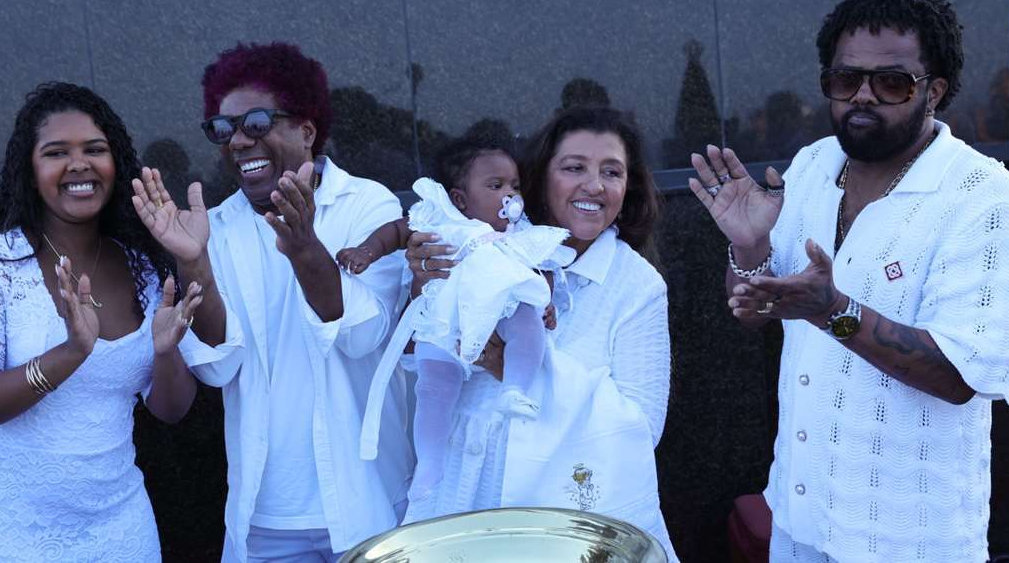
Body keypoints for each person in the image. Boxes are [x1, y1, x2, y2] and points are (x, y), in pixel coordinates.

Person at [689, 0, 1009, 562]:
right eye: (845, 79)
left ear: (935, 92)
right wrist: (750, 246)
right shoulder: (813, 165)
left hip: (907, 541)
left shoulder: (984, 201)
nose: (863, 96)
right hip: (798, 518)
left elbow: (960, 377)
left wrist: (834, 312)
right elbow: (754, 309)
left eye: (891, 83)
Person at [132, 41, 412, 562]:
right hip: (267, 518)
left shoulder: (367, 203)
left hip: (367, 503)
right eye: (223, 128)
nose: (238, 140)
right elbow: (219, 365)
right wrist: (194, 261)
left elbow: (364, 335)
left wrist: (305, 248)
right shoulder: (213, 227)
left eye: (256, 123)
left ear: (306, 131)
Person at [0, 82, 203, 561]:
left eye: (94, 150)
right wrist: (70, 354)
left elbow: (171, 410)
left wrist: (164, 354)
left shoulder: (142, 269)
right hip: (11, 533)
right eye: (57, 152)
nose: (79, 164)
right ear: (30, 171)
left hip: (120, 528)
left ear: (114, 164)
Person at [403, 107, 678, 559]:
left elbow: (642, 427)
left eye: (611, 171)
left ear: (627, 189)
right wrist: (426, 288)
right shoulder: (480, 247)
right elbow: (421, 367)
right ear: (540, 178)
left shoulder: (636, 284)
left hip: (565, 516)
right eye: (574, 168)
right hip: (464, 491)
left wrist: (512, 368)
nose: (594, 185)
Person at [344, 139, 569, 505]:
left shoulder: (518, 233)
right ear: (460, 199)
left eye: (515, 186)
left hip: (502, 314)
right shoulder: (440, 220)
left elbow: (540, 268)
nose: (509, 196)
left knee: (529, 323)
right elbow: (396, 232)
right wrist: (365, 252)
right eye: (496, 187)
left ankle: (516, 388)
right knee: (433, 388)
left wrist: (546, 302)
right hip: (447, 321)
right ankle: (429, 466)